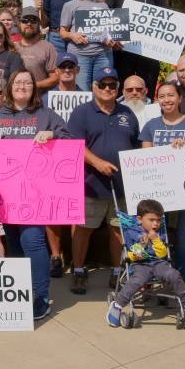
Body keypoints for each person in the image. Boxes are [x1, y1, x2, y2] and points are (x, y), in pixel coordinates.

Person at [0, 69, 70, 318]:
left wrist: (52, 134)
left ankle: (40, 297)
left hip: (36, 195)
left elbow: (69, 140)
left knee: (33, 241)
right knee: (16, 242)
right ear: (10, 87)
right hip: (5, 195)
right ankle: (21, 291)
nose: (22, 86)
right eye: (18, 82)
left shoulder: (46, 114)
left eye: (27, 82)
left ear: (34, 87)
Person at [66, 67, 138, 295]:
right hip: (90, 185)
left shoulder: (127, 112)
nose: (108, 89)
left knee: (118, 231)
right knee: (83, 230)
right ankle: (78, 271)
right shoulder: (81, 112)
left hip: (122, 186)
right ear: (94, 87)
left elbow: (137, 145)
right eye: (103, 85)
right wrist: (97, 162)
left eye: (112, 85)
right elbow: (74, 145)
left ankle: (117, 272)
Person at [141, 82, 185, 277]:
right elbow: (145, 156)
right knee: (157, 232)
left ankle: (181, 274)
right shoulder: (151, 125)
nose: (166, 100)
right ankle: (159, 272)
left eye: (170, 95)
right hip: (159, 189)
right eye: (162, 96)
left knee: (183, 234)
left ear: (179, 98)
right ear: (157, 100)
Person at [107, 199, 185, 328]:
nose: (155, 224)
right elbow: (129, 254)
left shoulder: (159, 232)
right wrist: (139, 248)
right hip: (140, 264)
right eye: (151, 220)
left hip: (158, 263)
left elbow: (162, 254)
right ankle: (117, 304)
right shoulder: (132, 231)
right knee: (137, 280)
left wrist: (155, 240)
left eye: (158, 220)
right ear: (140, 219)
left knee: (174, 274)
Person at [105, 0, 166, 90]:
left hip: (148, 54)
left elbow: (166, 19)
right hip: (122, 53)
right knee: (122, 90)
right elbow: (105, 20)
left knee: (147, 89)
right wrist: (110, 39)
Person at [57, 0, 113, 89]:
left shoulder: (103, 5)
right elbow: (62, 32)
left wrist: (111, 40)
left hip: (103, 55)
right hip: (80, 57)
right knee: (82, 92)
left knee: (103, 91)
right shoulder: (70, 5)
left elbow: (108, 32)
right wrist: (72, 35)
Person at [13, 7, 59, 91]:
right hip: (15, 99)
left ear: (38, 24)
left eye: (33, 20)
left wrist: (34, 85)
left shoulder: (48, 47)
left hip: (39, 99)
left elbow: (55, 77)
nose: (29, 23)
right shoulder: (12, 48)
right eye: (25, 20)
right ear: (19, 23)